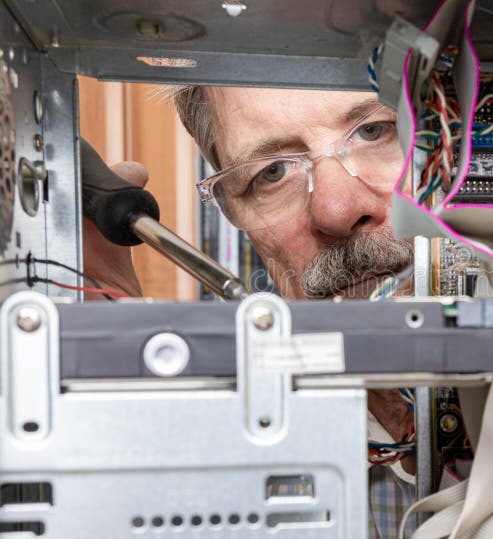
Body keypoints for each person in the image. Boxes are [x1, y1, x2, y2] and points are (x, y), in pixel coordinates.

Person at [83, 86, 420, 539]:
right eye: (273, 172)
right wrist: (120, 424)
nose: (337, 210)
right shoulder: (244, 471)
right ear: (231, 210)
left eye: (376, 131)